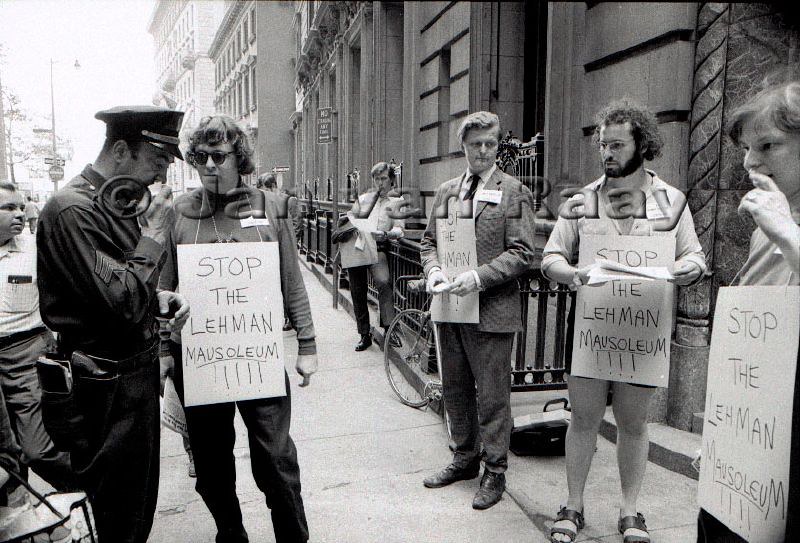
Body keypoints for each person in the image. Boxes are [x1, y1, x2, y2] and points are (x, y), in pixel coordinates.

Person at [543, 101, 706, 543]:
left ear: (642, 144)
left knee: (634, 424)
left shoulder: (671, 201)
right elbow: (551, 257)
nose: (607, 153)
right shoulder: (583, 201)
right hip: (593, 330)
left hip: (644, 330)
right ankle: (573, 505)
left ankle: (630, 510)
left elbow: (693, 254)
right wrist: (573, 273)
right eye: (603, 145)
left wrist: (692, 267)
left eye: (617, 144)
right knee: (584, 419)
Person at [35, 106, 190, 543]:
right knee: (118, 515)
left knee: (136, 507)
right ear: (121, 150)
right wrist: (155, 237)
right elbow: (119, 300)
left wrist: (154, 298)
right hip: (104, 386)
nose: (159, 176)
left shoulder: (111, 202)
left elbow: (114, 289)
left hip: (128, 381)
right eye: (156, 161)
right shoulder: (73, 209)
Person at [160, 115, 317, 543]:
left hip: (257, 357)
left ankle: (293, 537)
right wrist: (161, 350)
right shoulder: (178, 212)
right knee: (211, 465)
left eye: (219, 156)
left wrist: (307, 343)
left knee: (276, 459)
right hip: (198, 358)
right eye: (200, 157)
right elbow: (162, 285)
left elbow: (292, 280)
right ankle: (231, 533)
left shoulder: (268, 206)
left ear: (238, 157)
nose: (209, 165)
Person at [696, 79, 800, 542]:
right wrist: (726, 435)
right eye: (745, 147)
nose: (751, 161)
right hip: (753, 444)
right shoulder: (770, 220)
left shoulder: (777, 222)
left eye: (768, 145)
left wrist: (785, 231)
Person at [420, 111, 537, 510]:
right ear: (464, 147)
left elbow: (523, 252)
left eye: (490, 143)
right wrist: (433, 269)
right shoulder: (447, 190)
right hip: (451, 307)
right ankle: (464, 458)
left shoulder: (514, 191)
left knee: (492, 396)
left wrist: (479, 277)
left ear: (498, 144)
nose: (483, 151)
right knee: (454, 389)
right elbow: (427, 242)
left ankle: (495, 470)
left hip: (491, 309)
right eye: (475, 144)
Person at [0, 181, 75, 498]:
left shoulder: (34, 249)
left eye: (21, 207)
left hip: (25, 352)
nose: (19, 214)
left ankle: (91, 496)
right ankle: (22, 520)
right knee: (5, 458)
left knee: (37, 449)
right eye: (9, 208)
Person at [336, 162, 404, 351]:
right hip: (358, 247)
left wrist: (388, 234)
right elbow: (350, 218)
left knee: (383, 282)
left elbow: (400, 229)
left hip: (378, 247)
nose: (380, 183)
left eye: (383, 179)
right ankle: (364, 334)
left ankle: (389, 329)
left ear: (391, 179)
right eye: (376, 179)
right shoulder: (364, 198)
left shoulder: (397, 202)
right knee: (357, 290)